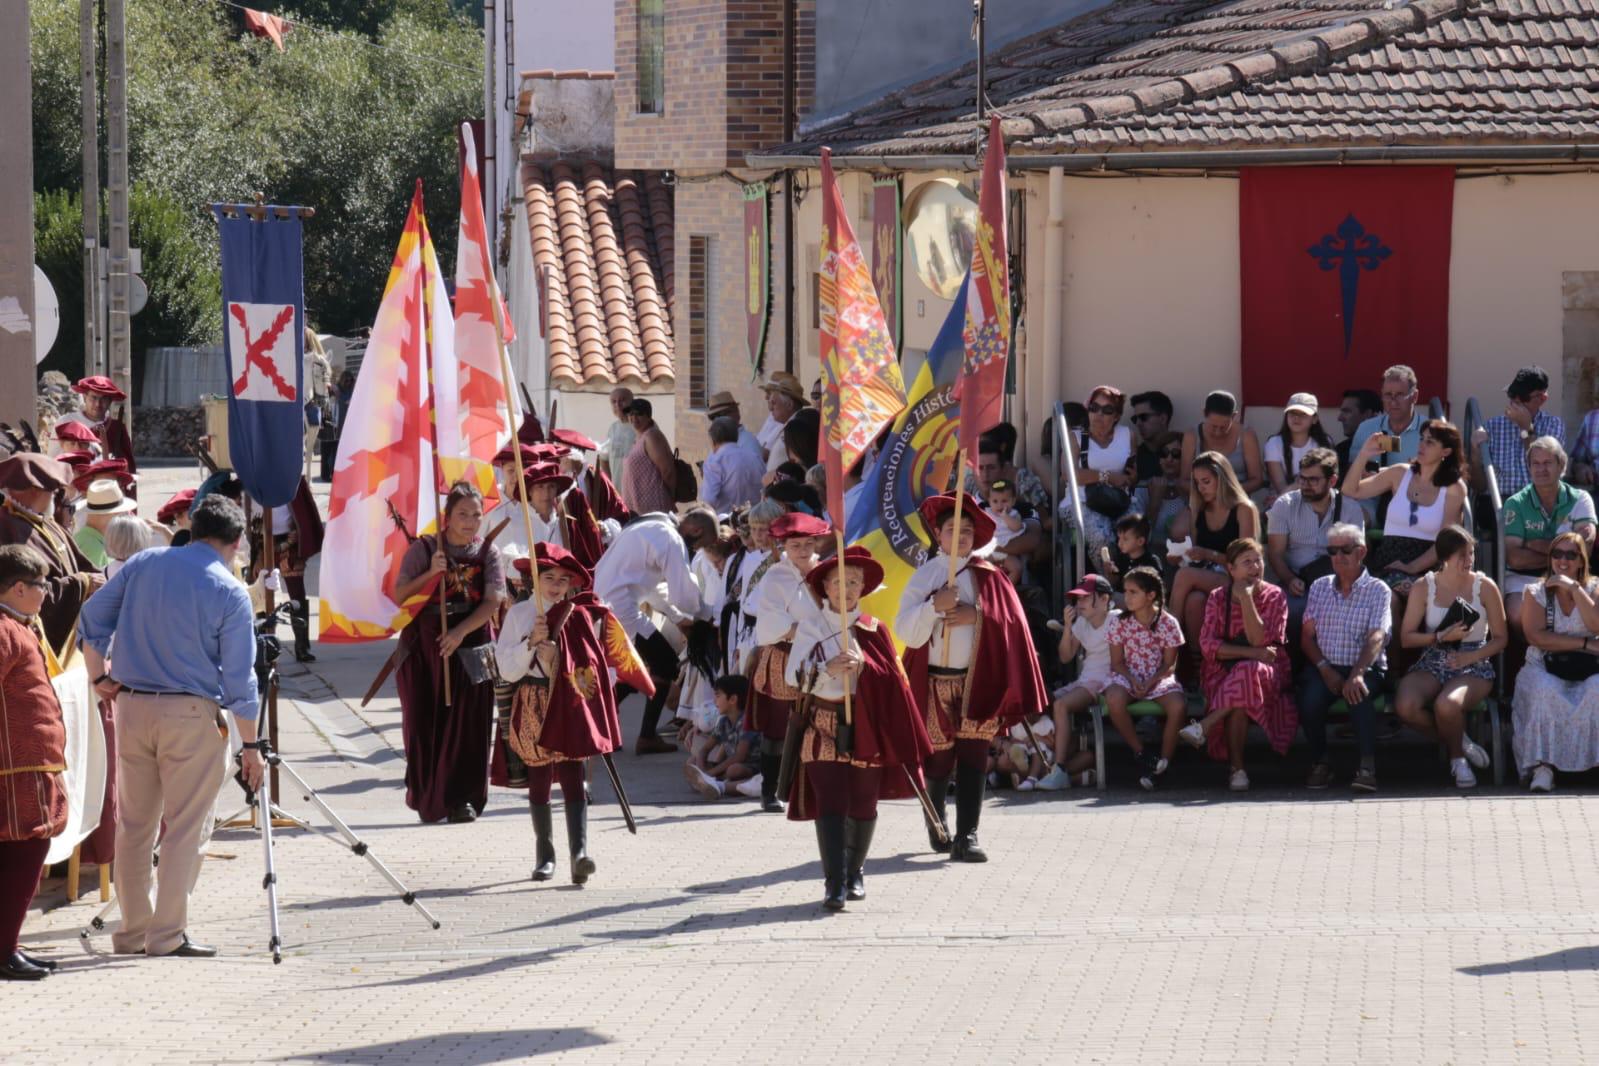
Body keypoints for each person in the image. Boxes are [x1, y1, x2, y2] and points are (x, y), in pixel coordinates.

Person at [79, 495, 262, 959]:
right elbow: (241, 679)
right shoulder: (228, 589)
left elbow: (92, 617)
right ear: (236, 542)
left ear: (193, 527)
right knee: (185, 827)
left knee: (134, 826)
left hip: (133, 706)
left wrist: (98, 674)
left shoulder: (144, 563)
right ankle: (167, 935)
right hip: (189, 712)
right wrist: (252, 746)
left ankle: (132, 932)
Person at [898, 493, 1046, 861]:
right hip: (934, 680)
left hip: (976, 679)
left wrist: (976, 616)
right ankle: (936, 821)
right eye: (952, 529)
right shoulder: (925, 575)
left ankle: (969, 834)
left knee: (974, 756)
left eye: (967, 530)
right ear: (939, 533)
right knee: (938, 760)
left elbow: (1012, 625)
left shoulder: (990, 576)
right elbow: (907, 631)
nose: (960, 536)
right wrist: (936, 607)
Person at [786, 546, 934, 911]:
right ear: (826, 586)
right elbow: (793, 677)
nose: (847, 588)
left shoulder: (873, 629)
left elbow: (895, 683)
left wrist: (866, 667)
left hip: (866, 726)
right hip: (822, 724)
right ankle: (833, 883)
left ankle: (855, 871)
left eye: (854, 582)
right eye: (839, 581)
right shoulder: (811, 627)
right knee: (831, 802)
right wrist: (826, 670)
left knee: (864, 804)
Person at [494, 543, 626, 885]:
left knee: (572, 773)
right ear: (532, 579)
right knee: (539, 777)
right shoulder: (519, 615)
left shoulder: (578, 616)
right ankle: (545, 854)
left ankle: (579, 854)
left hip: (568, 701)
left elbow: (589, 666)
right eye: (547, 577)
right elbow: (505, 669)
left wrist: (556, 658)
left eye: (562, 580)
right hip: (532, 699)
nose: (554, 585)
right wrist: (529, 644)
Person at [390, 482, 505, 824]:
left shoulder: (488, 552)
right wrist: (431, 573)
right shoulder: (426, 549)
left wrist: (459, 632)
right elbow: (400, 594)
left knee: (469, 727)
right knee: (423, 723)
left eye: (475, 514)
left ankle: (462, 800)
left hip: (471, 642)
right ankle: (428, 795)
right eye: (462, 514)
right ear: (447, 516)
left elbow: (492, 601)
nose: (470, 521)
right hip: (425, 646)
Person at [591, 506, 718, 753]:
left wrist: (679, 617)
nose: (696, 550)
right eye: (701, 544)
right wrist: (707, 614)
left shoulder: (650, 527)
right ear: (696, 529)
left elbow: (654, 589)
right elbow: (683, 593)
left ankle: (600, 722)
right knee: (665, 664)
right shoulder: (670, 539)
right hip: (621, 609)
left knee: (643, 666)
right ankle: (640, 735)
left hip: (611, 604)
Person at [1393, 525, 1507, 789]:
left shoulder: (1485, 586)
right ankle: (1459, 740)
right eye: (1462, 556)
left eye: (1471, 554)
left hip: (1474, 660)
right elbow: (1406, 637)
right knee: (1405, 706)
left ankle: (1457, 760)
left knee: (1447, 705)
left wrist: (1470, 658)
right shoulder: (1424, 586)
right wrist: (1440, 637)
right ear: (1445, 558)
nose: (1468, 561)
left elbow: (1502, 639)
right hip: (1435, 656)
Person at [0, 545, 69, 980]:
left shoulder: (17, 624)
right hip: (13, 768)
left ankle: (8, 945)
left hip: (24, 765)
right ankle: (4, 950)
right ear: (19, 587)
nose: (46, 592)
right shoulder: (4, 629)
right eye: (41, 585)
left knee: (24, 853)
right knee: (26, 851)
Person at [1180, 539, 1295, 792]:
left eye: (1258, 560)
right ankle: (1236, 769)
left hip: (1269, 671)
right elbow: (1209, 645)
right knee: (1243, 687)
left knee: (1248, 672)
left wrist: (1246, 601)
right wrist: (1250, 652)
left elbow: (1263, 640)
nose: (1255, 567)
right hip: (1223, 671)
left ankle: (1209, 728)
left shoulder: (1275, 596)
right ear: (1231, 569)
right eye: (1247, 562)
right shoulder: (1217, 598)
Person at [1297, 523, 1392, 792]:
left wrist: (1357, 673)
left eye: (1345, 550)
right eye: (1332, 550)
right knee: (1310, 699)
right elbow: (1306, 636)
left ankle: (1367, 766)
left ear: (1361, 551)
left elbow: (1377, 637)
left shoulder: (1378, 589)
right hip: (1326, 665)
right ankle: (1320, 762)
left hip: (1366, 667)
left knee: (1357, 693)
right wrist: (1325, 669)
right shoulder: (1319, 586)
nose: (1338, 556)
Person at [748, 512, 830, 812]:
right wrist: (800, 629)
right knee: (778, 728)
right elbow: (768, 618)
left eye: (807, 544)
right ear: (785, 546)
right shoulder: (775, 575)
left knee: (815, 722)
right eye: (795, 546)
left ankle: (803, 787)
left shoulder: (824, 570)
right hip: (784, 656)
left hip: (818, 655)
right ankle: (770, 790)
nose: (802, 551)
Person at [1514, 531, 1599, 792]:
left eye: (1571, 555)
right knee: (1543, 690)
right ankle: (1543, 766)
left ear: (1581, 561)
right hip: (1545, 663)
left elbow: (1595, 623)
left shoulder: (1594, 588)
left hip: (1588, 667)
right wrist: (1584, 644)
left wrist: (1573, 587)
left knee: (1597, 689)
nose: (1563, 561)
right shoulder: (1536, 592)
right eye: (1557, 554)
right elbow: (1537, 636)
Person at [1343, 419, 1468, 596]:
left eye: (1430, 442)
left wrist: (1411, 567)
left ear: (1446, 451)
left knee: (1407, 592)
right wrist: (1364, 454)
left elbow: (1445, 542)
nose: (1422, 445)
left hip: (1427, 566)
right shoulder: (1400, 473)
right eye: (1421, 439)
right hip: (1388, 561)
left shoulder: (1454, 488)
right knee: (1382, 593)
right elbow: (1350, 490)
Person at [0, 453, 102, 658]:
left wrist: (97, 580)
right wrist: (82, 583)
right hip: (30, 645)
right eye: (53, 491)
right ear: (35, 490)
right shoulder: (7, 528)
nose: (56, 497)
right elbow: (22, 593)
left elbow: (83, 564)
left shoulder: (44, 521)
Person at [1264, 448, 1366, 645]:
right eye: (1302, 478)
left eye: (1313, 480)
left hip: (1339, 581)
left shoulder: (1350, 508)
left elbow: (1357, 555)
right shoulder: (1284, 505)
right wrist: (1290, 579)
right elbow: (1275, 554)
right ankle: (1291, 671)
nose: (1305, 485)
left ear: (1332, 481)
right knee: (1292, 612)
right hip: (1297, 580)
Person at [1500, 436, 1595, 641]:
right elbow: (1515, 559)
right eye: (1536, 463)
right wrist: (1566, 553)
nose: (1541, 469)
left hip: (1573, 579)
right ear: (1529, 467)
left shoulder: (1581, 499)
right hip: (1524, 579)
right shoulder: (1515, 503)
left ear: (1562, 465)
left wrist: (1534, 545)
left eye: (1548, 463)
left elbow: (1586, 549)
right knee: (1518, 615)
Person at [1102, 567, 1187, 790]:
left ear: (1151, 595)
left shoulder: (1168, 622)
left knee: (1178, 705)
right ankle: (1141, 753)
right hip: (1127, 675)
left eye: (1133, 592)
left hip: (1159, 677)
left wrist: (1150, 682)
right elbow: (1117, 662)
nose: (1126, 597)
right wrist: (1133, 680)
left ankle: (1164, 762)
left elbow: (1169, 664)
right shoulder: (1118, 622)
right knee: (1113, 699)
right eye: (1126, 591)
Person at [1167, 452, 1260, 656]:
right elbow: (1196, 552)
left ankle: (1166, 639)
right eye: (1198, 483)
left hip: (1240, 579)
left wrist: (1209, 555)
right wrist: (1182, 556)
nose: (1201, 488)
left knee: (1185, 576)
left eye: (1206, 481)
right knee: (1194, 600)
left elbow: (1248, 561)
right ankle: (1197, 659)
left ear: (1222, 479)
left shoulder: (1244, 509)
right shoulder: (1198, 510)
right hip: (1207, 574)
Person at [1037, 574, 1114, 791]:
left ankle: (1059, 768)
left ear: (1104, 599)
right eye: (1077, 599)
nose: (1079, 604)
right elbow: (1065, 656)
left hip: (1105, 684)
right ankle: (1069, 765)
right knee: (1043, 701)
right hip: (1085, 682)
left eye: (1085, 598)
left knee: (1061, 705)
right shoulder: (1081, 623)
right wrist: (1068, 627)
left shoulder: (1116, 620)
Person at [255, 478, 325, 663]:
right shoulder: (253, 476)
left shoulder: (291, 477)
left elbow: (303, 511)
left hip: (289, 541)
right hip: (261, 541)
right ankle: (264, 645)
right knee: (261, 594)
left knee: (297, 594)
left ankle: (302, 647)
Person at [1475, 366, 1566, 498]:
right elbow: (1479, 485)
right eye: (1512, 395)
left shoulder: (1553, 425)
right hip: (1497, 502)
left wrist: (1526, 428)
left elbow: (1544, 462)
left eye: (1523, 398)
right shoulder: (1491, 427)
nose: (1515, 403)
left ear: (1542, 399)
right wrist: (1474, 454)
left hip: (1536, 502)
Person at [722, 499, 782, 677]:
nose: (757, 534)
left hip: (769, 633)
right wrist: (740, 641)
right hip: (747, 634)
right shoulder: (751, 558)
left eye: (763, 529)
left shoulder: (784, 560)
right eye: (753, 529)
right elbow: (743, 603)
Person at [1180, 389, 1263, 494]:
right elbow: (1184, 481)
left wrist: (1227, 494)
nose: (1218, 432)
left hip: (1237, 498)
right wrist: (1208, 494)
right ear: (1204, 414)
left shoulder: (1246, 435)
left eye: (1223, 427)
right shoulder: (1192, 436)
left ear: (1234, 416)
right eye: (1213, 426)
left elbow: (1256, 479)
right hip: (1202, 499)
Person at [1263, 393, 1334, 506]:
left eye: (1303, 414)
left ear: (1315, 419)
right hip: (1284, 501)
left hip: (1316, 499)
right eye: (1292, 413)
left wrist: (1298, 484)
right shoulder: (1273, 444)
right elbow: (1280, 486)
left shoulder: (1324, 442)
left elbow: (1323, 483)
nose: (1296, 418)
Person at [59, 376, 137, 477]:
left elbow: (128, 467)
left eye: (104, 399)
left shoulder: (116, 428)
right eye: (93, 397)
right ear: (84, 397)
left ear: (110, 401)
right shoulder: (66, 423)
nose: (98, 404)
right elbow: (53, 460)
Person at [1350, 364, 1423, 465]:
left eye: (1400, 395)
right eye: (1388, 395)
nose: (1393, 402)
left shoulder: (1430, 433)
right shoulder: (1366, 430)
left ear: (1414, 397)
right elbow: (1352, 471)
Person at [621, 398, 677, 515]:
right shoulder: (640, 437)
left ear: (648, 416)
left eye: (639, 414)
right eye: (631, 414)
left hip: (654, 510)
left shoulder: (652, 436)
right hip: (639, 512)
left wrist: (671, 496)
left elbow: (667, 471)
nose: (634, 418)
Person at [700, 415, 766, 514]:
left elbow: (708, 501)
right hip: (755, 519)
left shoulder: (714, 461)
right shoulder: (754, 457)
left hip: (726, 523)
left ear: (713, 440)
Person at [1135, 430, 1187, 548]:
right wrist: (1155, 501)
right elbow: (1139, 537)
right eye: (1164, 453)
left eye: (1176, 454)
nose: (1169, 459)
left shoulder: (1194, 489)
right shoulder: (1143, 488)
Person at [74, 478, 138, 570]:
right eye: (119, 512)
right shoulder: (92, 546)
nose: (122, 516)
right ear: (107, 514)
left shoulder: (88, 538)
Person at [757, 372, 808, 478]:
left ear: (789, 405)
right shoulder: (788, 424)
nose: (770, 407)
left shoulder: (797, 428)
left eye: (774, 403)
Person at [1100, 513, 1161, 595]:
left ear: (1140, 541)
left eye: (1125, 539)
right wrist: (1109, 572)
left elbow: (1156, 588)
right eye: (1119, 538)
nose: (1120, 543)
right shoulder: (1121, 558)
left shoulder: (1151, 562)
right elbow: (1114, 582)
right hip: (1122, 598)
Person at [983, 478, 1026, 580]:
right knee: (982, 566)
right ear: (989, 501)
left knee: (1017, 568)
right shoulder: (987, 514)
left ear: (1013, 501)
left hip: (1007, 552)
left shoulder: (1014, 514)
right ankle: (988, 589)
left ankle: (1007, 590)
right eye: (995, 501)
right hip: (991, 551)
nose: (999, 505)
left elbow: (1016, 527)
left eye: (1004, 501)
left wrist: (1005, 517)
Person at [1129, 390, 1174, 482]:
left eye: (1143, 417)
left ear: (1163, 419)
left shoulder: (1183, 454)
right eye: (1135, 419)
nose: (1138, 423)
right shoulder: (1134, 458)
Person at [1335, 388, 1382, 476]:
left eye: (1347, 411)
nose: (1340, 418)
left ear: (1368, 414)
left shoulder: (1393, 446)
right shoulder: (1340, 451)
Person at [705, 391, 764, 458]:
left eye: (720, 415)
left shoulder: (748, 442)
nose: (716, 421)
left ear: (736, 413)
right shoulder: (720, 442)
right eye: (713, 417)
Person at [596, 386, 637, 482]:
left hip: (638, 491)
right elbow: (603, 458)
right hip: (618, 492)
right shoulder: (613, 428)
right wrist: (610, 482)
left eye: (622, 400)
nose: (618, 405)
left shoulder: (642, 426)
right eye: (613, 402)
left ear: (632, 403)